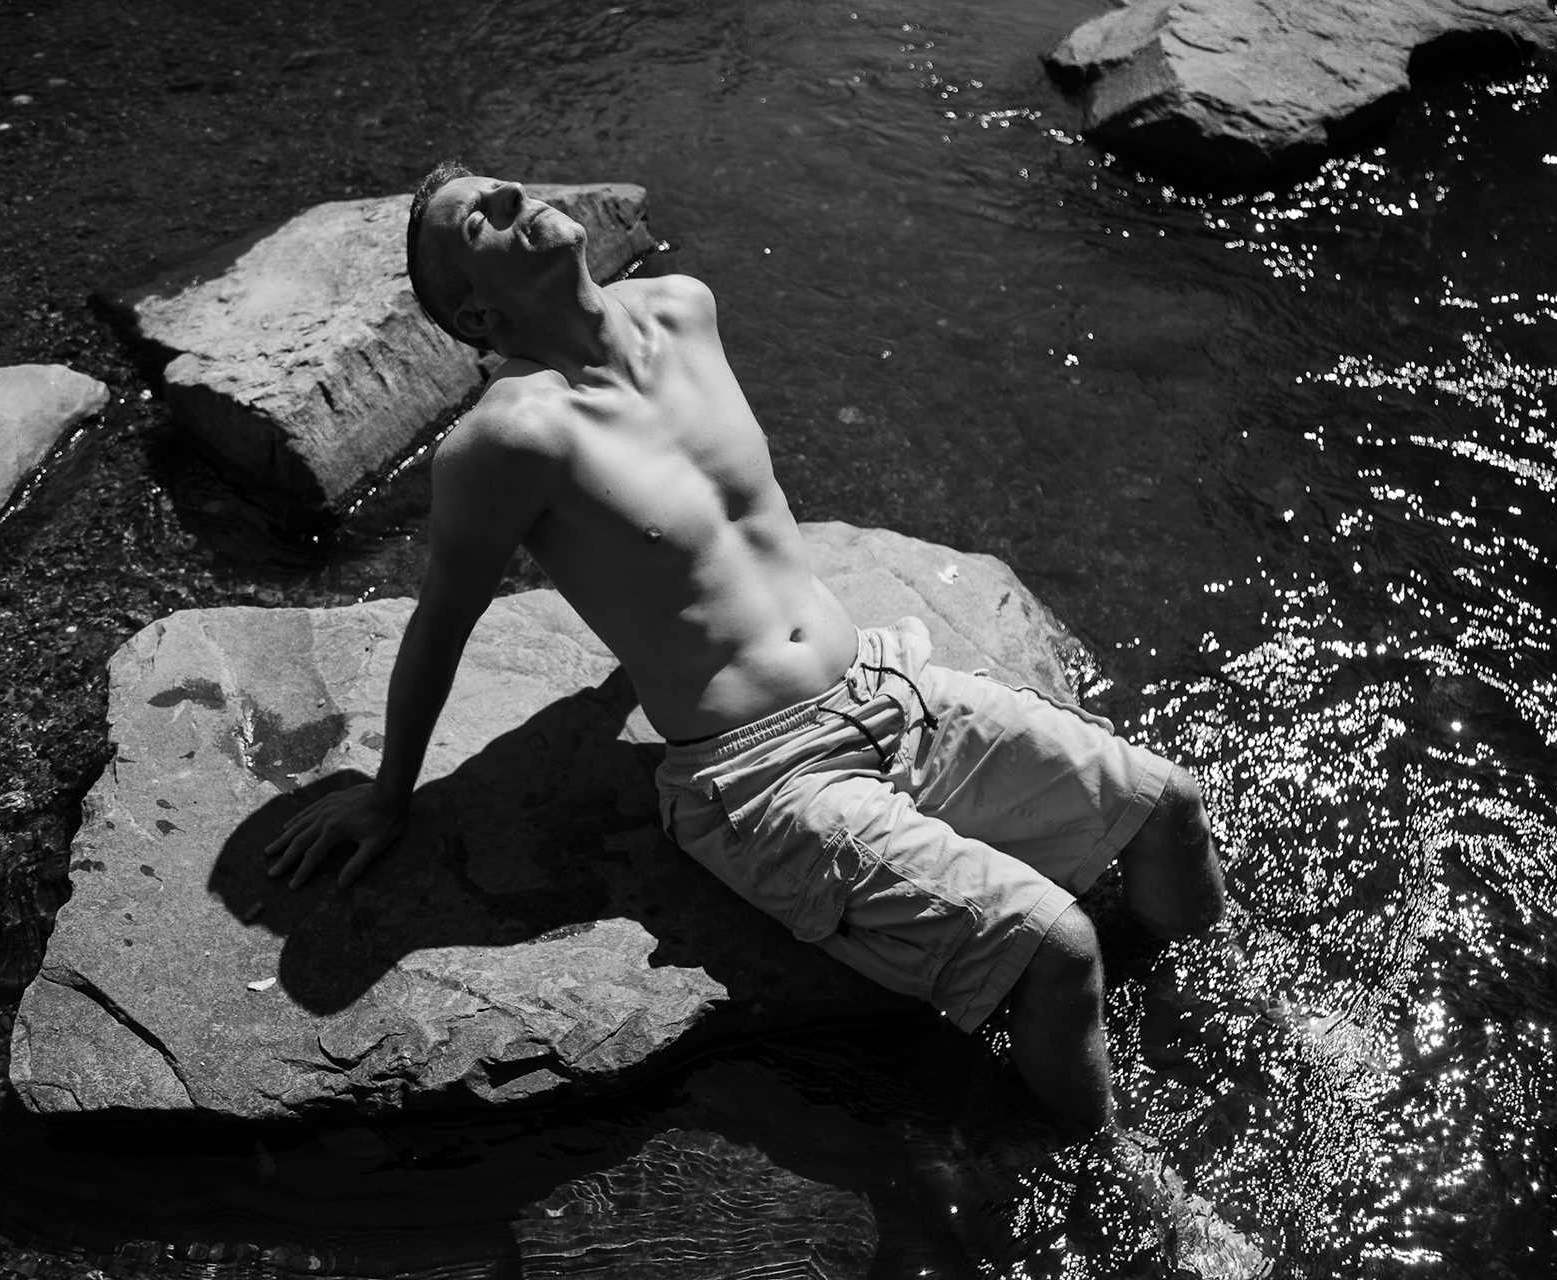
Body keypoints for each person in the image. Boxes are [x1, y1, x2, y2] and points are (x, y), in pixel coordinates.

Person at [264, 161, 1227, 1139]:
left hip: (888, 685)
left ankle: (1196, 1011)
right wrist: (389, 792)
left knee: (1169, 808)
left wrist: (617, 680)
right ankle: (1116, 1177)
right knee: (1060, 951)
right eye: (482, 218)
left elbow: (697, 537)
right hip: (767, 777)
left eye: (504, 183)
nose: (516, 197)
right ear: (476, 315)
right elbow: (442, 617)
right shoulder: (507, 438)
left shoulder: (684, 308)